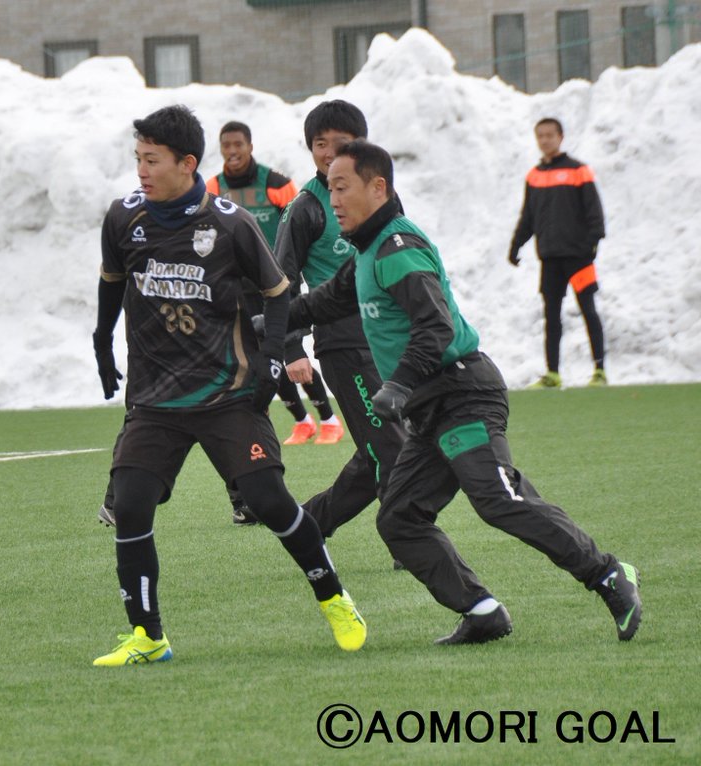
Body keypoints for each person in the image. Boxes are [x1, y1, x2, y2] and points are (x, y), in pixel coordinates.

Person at [287, 140, 641, 645]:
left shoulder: (397, 248)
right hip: (433, 408)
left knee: (497, 499)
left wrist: (398, 384)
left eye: (341, 187)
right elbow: (327, 299)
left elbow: (433, 327)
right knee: (401, 518)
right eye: (329, 188)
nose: (334, 199)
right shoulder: (368, 252)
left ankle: (609, 574)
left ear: (377, 187)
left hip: (462, 393)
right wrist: (269, 321)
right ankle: (483, 611)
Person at [90, 105, 366, 666]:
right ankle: (148, 636)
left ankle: (333, 596)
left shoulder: (230, 222)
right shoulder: (123, 218)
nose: (140, 169)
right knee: (132, 505)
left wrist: (272, 357)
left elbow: (279, 291)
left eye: (152, 160)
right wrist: (101, 341)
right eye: (137, 158)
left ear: (187, 163)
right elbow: (111, 286)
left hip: (227, 395)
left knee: (267, 501)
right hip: (154, 399)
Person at [274, 100, 407, 560]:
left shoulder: (380, 198)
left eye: (339, 144)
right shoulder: (307, 207)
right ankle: (408, 538)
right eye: (319, 144)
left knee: (384, 447)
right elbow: (279, 281)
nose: (329, 153)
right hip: (344, 345)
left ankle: (309, 524)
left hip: (392, 341)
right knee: (390, 445)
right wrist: (291, 346)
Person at [206, 120, 344, 449]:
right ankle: (302, 421)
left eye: (238, 144)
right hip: (239, 289)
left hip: (273, 286)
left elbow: (296, 232)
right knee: (262, 359)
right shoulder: (212, 187)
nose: (233, 151)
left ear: (250, 146)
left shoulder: (277, 184)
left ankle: (329, 419)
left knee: (289, 351)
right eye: (227, 146)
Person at [508, 118, 607, 389]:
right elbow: (527, 217)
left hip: (579, 256)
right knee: (551, 314)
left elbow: (594, 211)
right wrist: (516, 245)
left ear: (561, 137)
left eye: (550, 135)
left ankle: (599, 370)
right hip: (549, 257)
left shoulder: (579, 171)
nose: (545, 140)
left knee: (588, 309)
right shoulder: (534, 176)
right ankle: (553, 373)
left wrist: (592, 242)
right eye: (540, 136)